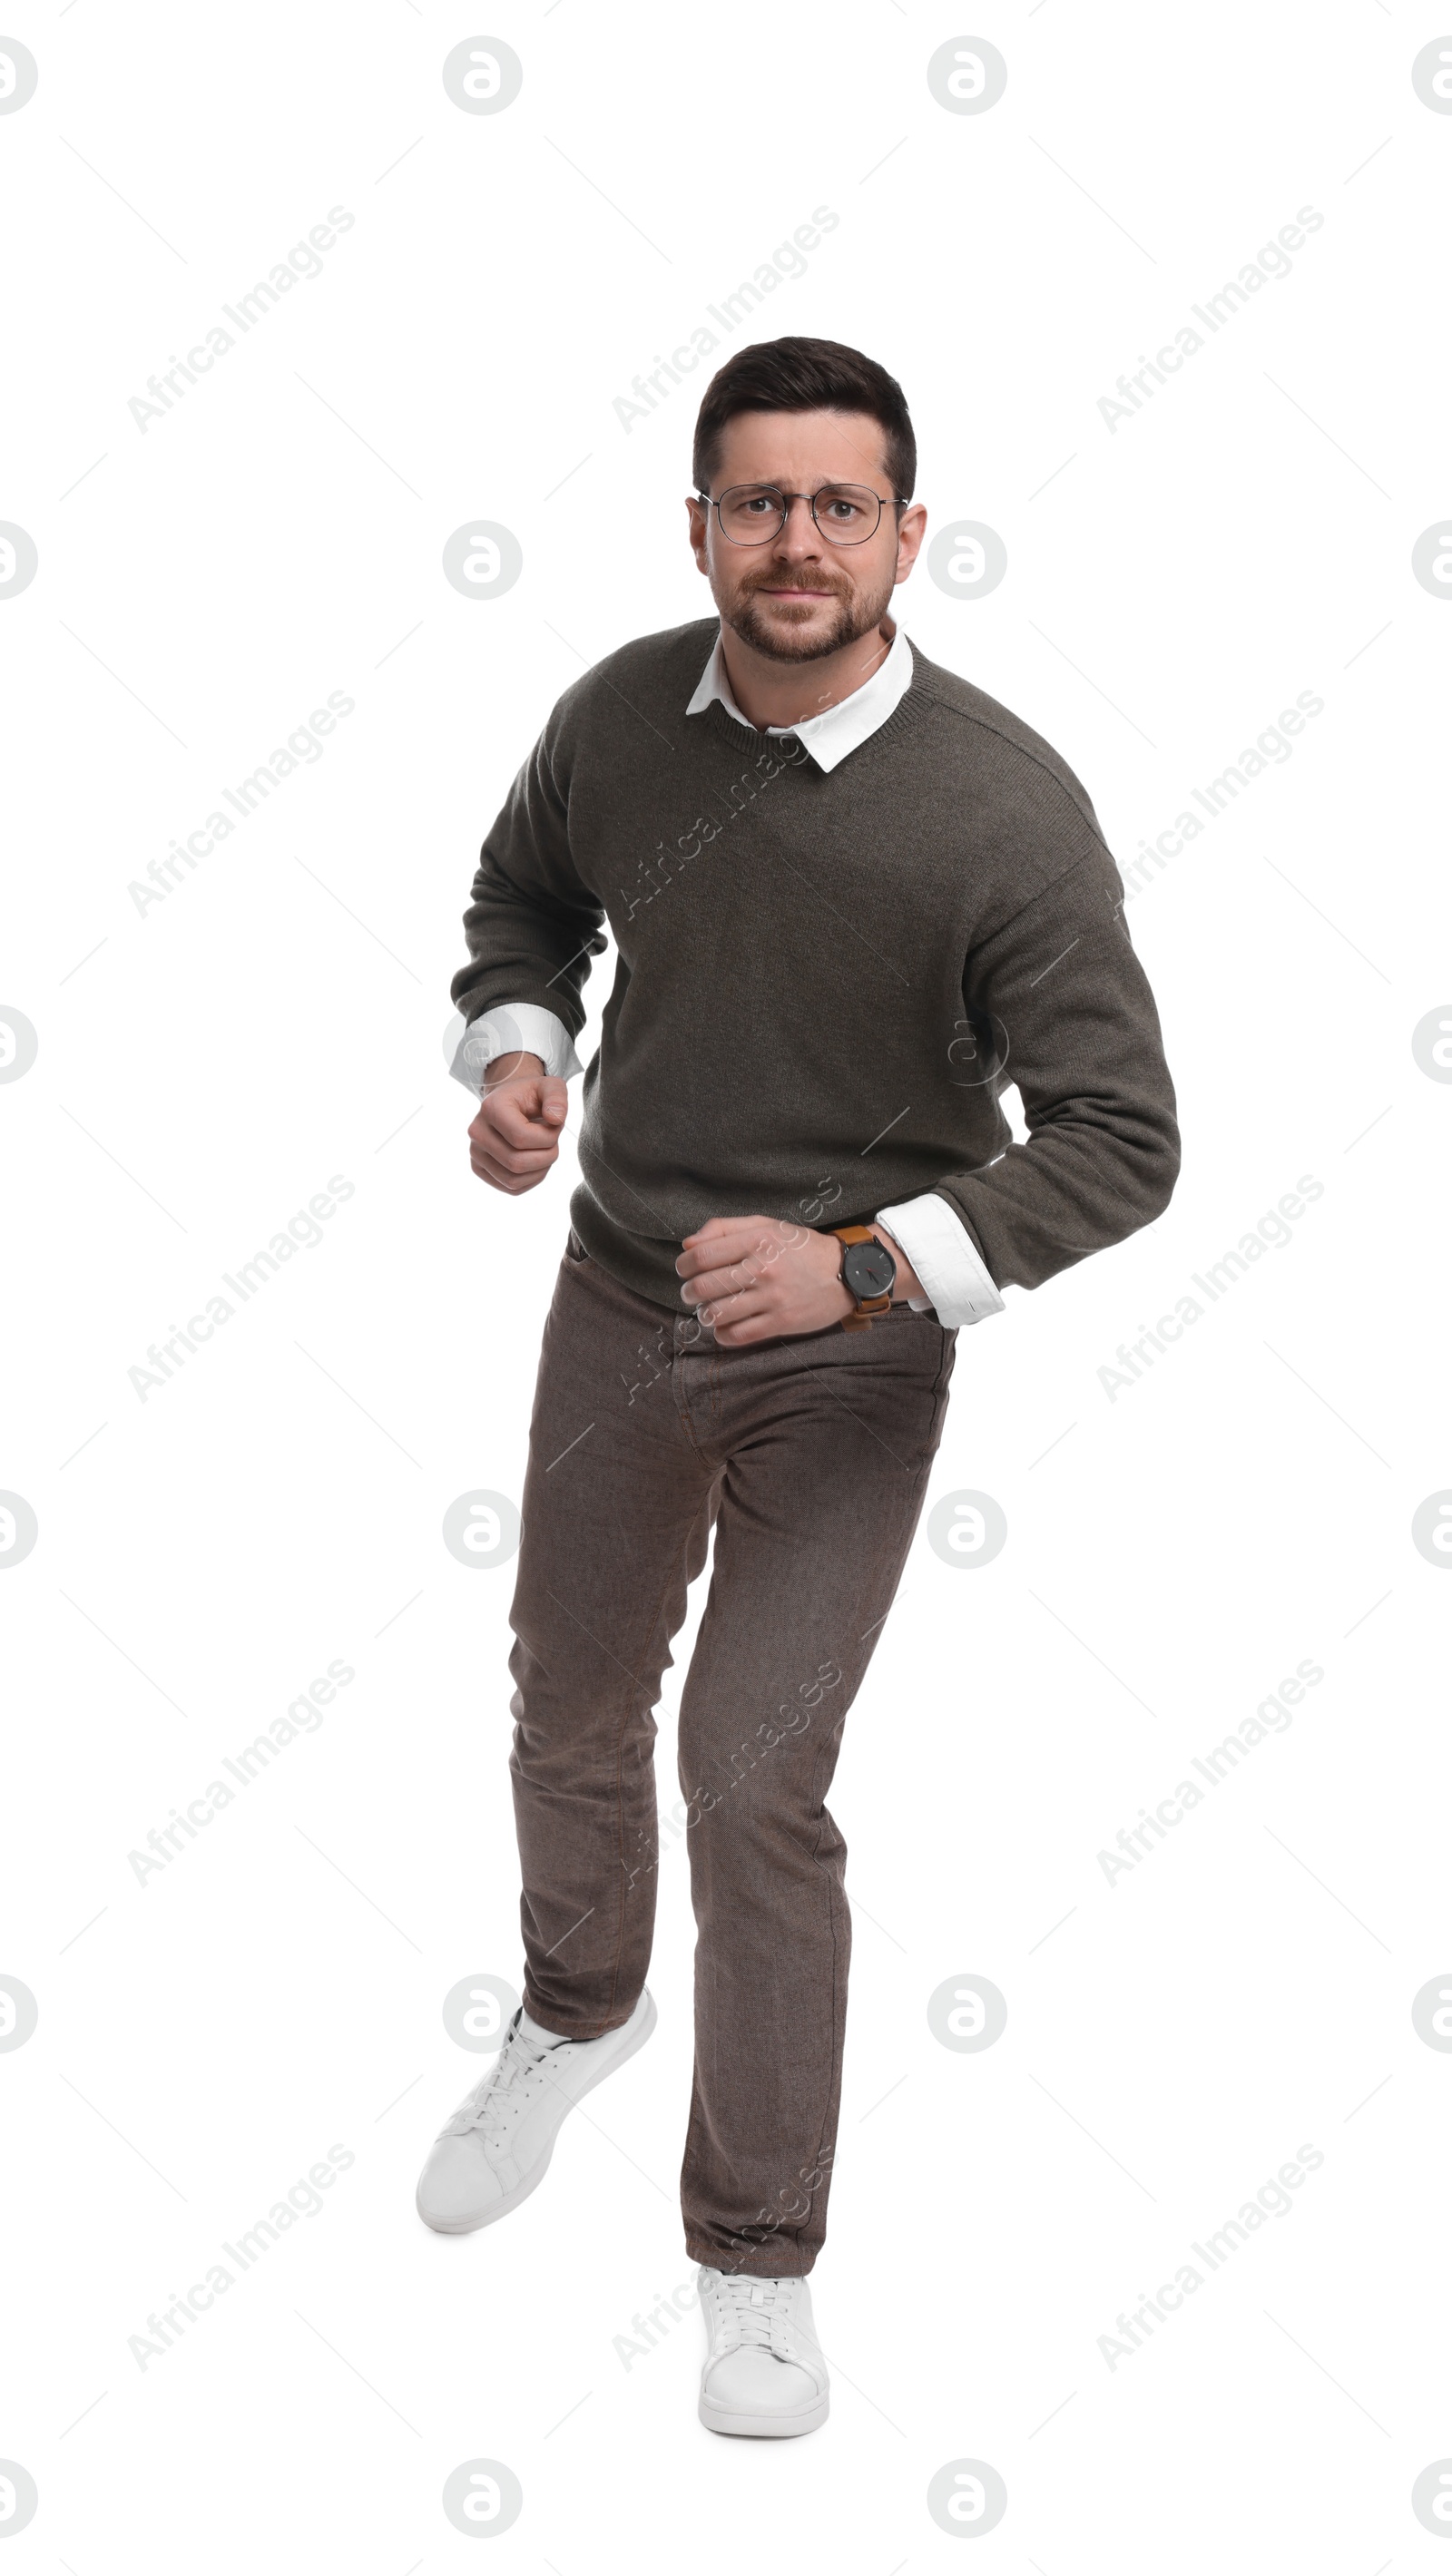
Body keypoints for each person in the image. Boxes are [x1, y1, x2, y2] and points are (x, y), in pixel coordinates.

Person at [417, 335, 1179, 2438]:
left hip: (848, 1355)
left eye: (839, 505)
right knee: (563, 1696)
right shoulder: (612, 719)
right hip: (611, 1295)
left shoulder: (1001, 812)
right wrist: (520, 1055)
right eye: (755, 501)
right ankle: (577, 2008)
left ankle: (752, 2255)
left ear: (907, 535)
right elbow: (522, 904)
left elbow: (1121, 1138)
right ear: (696, 527)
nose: (796, 542)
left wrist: (851, 1263)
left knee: (749, 1778)